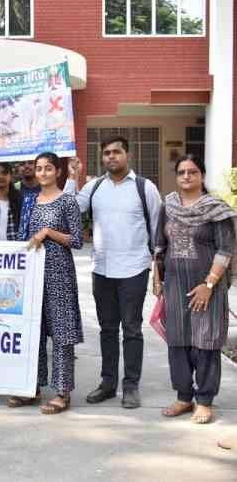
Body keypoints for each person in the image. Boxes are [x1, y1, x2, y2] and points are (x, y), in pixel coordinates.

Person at [65, 136, 161, 409]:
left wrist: (157, 269)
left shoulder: (145, 188)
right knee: (108, 329)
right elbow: (69, 209)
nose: (111, 157)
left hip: (134, 268)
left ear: (127, 155)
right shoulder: (94, 187)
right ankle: (108, 384)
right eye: (106, 153)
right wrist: (73, 177)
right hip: (103, 269)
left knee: (131, 329)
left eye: (116, 152)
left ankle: (130, 387)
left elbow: (157, 229)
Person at [155, 155, 235, 425]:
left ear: (202, 175)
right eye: (181, 172)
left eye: (192, 172)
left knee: (206, 343)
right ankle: (183, 397)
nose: (186, 176)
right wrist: (157, 280)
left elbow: (226, 249)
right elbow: (159, 247)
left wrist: (209, 284)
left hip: (207, 287)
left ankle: (204, 401)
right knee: (178, 342)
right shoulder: (168, 207)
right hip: (175, 286)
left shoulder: (217, 209)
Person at [11, 152, 83, 414]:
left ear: (58, 172)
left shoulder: (67, 202)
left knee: (62, 332)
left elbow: (76, 240)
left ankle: (62, 392)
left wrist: (49, 233)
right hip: (33, 274)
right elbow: (22, 237)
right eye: (39, 169)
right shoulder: (29, 201)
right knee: (34, 332)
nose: (42, 173)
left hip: (60, 274)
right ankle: (34, 388)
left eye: (48, 168)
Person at [16, 160, 41, 241]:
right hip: (18, 245)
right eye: (22, 164)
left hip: (41, 242)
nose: (26, 166)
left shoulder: (47, 188)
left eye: (30, 163)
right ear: (18, 168)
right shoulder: (13, 189)